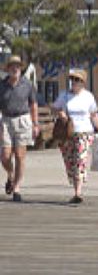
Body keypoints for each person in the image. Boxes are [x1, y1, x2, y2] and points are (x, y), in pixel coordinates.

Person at [53, 69, 98, 204]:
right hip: (67, 133)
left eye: (77, 80)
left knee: (80, 161)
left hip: (84, 132)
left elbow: (94, 114)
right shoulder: (64, 95)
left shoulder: (88, 96)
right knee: (69, 162)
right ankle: (75, 188)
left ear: (83, 83)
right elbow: (54, 108)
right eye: (72, 80)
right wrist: (60, 113)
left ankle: (78, 192)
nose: (74, 82)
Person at [0, 55, 39, 202]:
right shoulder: (2, 85)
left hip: (23, 120)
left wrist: (35, 124)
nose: (15, 68)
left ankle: (17, 187)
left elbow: (33, 104)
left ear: (20, 68)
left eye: (17, 66)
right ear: (8, 68)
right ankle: (10, 174)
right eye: (12, 66)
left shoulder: (27, 84)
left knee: (20, 156)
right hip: (5, 120)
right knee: (4, 156)